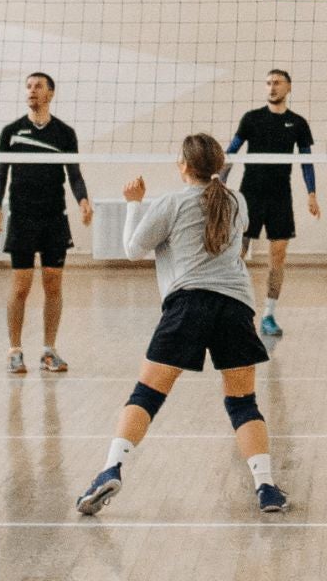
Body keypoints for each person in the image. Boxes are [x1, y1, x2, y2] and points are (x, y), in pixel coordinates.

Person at [75, 134, 288, 516]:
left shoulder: (172, 202)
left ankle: (111, 468)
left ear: (184, 166)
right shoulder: (237, 200)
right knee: (243, 403)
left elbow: (132, 250)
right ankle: (267, 487)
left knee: (147, 394)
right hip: (237, 306)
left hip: (188, 303)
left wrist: (134, 205)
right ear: (219, 165)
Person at [0, 72, 91, 373]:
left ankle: (49, 351)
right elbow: (0, 172)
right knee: (21, 287)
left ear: (50, 94)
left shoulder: (64, 133)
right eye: (29, 87)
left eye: (38, 87)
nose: (32, 91)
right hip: (22, 217)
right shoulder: (11, 131)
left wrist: (83, 200)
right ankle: (14, 350)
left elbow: (73, 173)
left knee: (53, 285)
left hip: (53, 218)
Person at [223, 69, 318, 337]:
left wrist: (312, 193)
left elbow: (307, 161)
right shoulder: (251, 119)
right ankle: (233, 310)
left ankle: (268, 315)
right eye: (267, 83)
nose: (271, 87)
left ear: (288, 87)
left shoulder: (298, 123)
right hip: (250, 194)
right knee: (237, 254)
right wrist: (219, 183)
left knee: (278, 256)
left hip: (280, 196)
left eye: (277, 83)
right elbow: (231, 152)